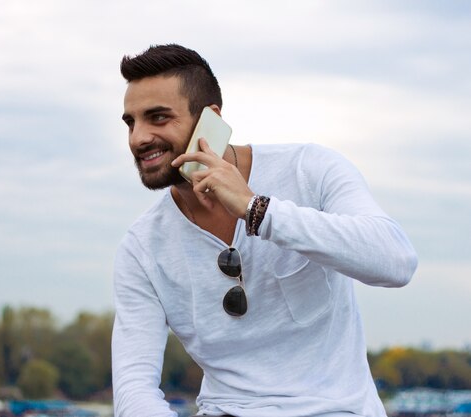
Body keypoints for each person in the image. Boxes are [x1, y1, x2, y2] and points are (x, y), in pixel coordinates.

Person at [111, 44, 418, 417]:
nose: (138, 138)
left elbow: (396, 261)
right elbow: (133, 386)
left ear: (210, 119)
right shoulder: (141, 247)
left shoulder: (310, 168)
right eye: (131, 122)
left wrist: (256, 209)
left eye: (158, 118)